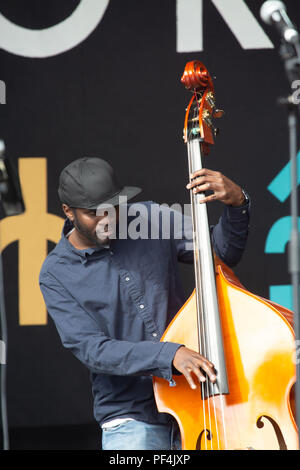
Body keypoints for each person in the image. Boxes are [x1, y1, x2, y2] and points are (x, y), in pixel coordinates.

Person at [39, 157, 250, 450]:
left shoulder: (151, 219)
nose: (107, 219)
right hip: (130, 416)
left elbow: (221, 255)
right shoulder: (56, 273)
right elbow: (93, 350)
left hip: (197, 401)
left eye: (113, 208)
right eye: (93, 213)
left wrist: (237, 203)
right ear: (68, 211)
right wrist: (168, 355)